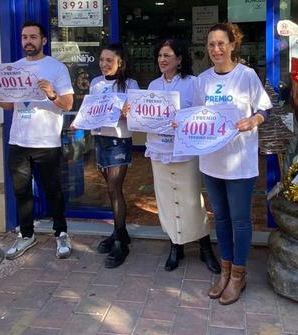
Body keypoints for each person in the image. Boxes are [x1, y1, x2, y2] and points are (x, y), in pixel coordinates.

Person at [0, 21, 74, 260]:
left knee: (54, 192)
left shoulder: (56, 68)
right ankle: (26, 234)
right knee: (21, 192)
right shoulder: (14, 69)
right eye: (24, 37)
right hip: (19, 141)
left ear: (44, 40)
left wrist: (51, 93)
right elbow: (10, 106)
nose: (28, 41)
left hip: (47, 143)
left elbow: (68, 104)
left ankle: (61, 233)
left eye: (33, 36)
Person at [196, 23, 272, 305]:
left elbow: (263, 108)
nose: (216, 49)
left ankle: (239, 274)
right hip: (211, 160)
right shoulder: (202, 80)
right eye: (211, 44)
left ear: (232, 45)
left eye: (221, 44)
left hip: (240, 161)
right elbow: (194, 114)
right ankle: (225, 269)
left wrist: (254, 120)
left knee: (240, 219)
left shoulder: (246, 76)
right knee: (222, 218)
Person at [145, 39, 220, 273]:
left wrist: (184, 120)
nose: (162, 60)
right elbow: (145, 114)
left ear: (179, 59)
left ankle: (204, 245)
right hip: (159, 150)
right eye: (160, 55)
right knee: (165, 199)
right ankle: (175, 246)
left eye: (167, 55)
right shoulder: (153, 85)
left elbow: (202, 114)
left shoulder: (193, 83)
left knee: (191, 200)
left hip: (185, 151)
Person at [89, 43, 139, 268]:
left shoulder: (130, 85)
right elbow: (90, 111)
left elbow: (137, 118)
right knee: (110, 190)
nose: (104, 64)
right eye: (101, 60)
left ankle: (120, 242)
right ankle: (120, 232)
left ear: (121, 63)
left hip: (119, 141)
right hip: (100, 139)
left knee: (114, 189)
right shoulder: (95, 83)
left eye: (109, 60)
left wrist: (130, 114)